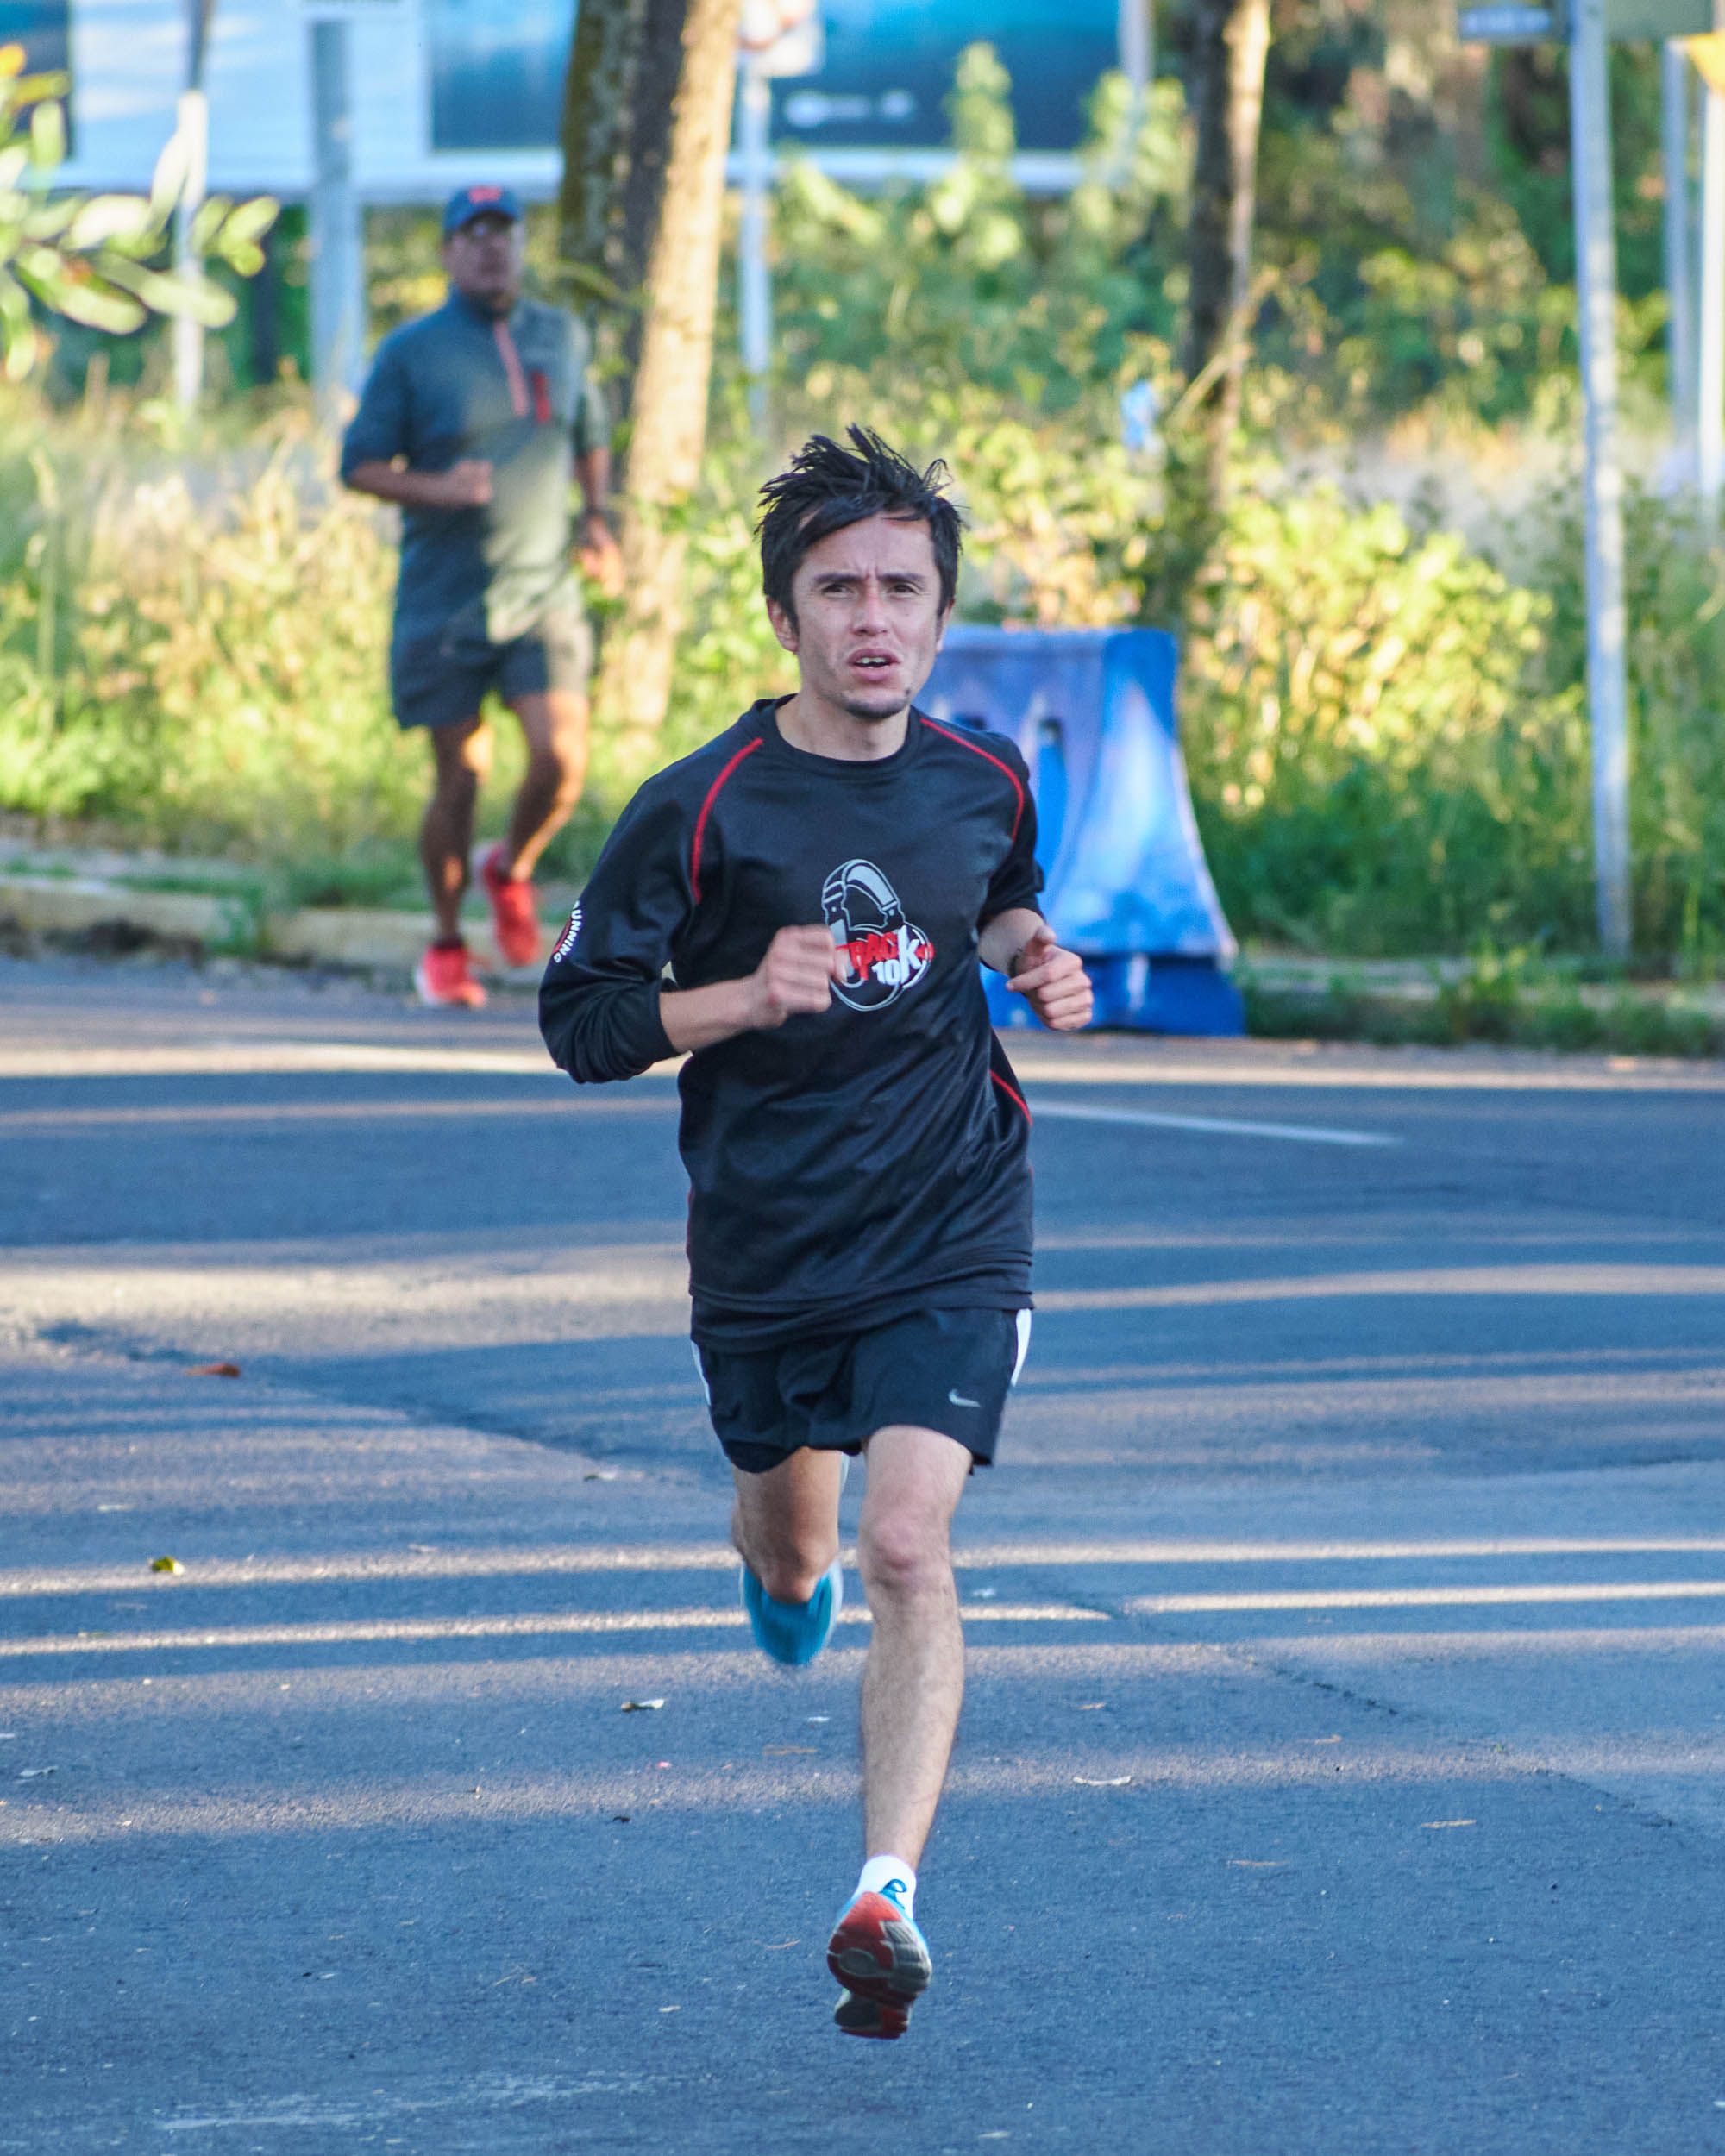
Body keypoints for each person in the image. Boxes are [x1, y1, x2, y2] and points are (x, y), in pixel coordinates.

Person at [539, 428, 1092, 2040]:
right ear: (784, 617)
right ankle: (780, 1569)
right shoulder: (700, 806)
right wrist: (736, 998)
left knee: (906, 1543)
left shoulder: (984, 774)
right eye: (839, 589)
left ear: (940, 616)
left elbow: (995, 891)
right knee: (796, 1550)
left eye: (902, 590)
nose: (873, 618)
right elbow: (579, 1024)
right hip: (770, 1247)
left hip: (953, 1216)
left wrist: (1033, 951)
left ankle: (885, 1893)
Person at [342, 184, 619, 1009]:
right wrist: (438, 488)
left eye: (505, 232)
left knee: (561, 760)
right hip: (447, 601)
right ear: (448, 252)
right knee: (460, 777)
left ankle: (512, 867)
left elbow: (588, 434)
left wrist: (597, 521)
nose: (492, 247)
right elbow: (358, 465)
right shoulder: (411, 352)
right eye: (474, 234)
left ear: (522, 245)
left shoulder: (561, 335)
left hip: (543, 588)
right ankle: (445, 942)